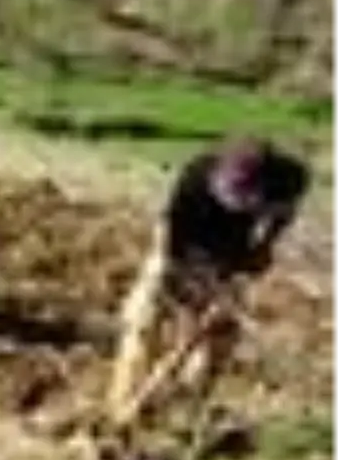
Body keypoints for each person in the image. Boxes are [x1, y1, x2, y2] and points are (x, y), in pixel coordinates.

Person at [108, 136, 311, 425]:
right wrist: (181, 292)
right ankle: (121, 408)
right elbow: (169, 241)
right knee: (144, 320)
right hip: (184, 244)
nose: (234, 199)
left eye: (243, 196)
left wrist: (264, 246)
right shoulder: (196, 180)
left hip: (231, 252)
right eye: (231, 193)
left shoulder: (290, 178)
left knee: (219, 335)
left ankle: (185, 413)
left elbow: (283, 213)